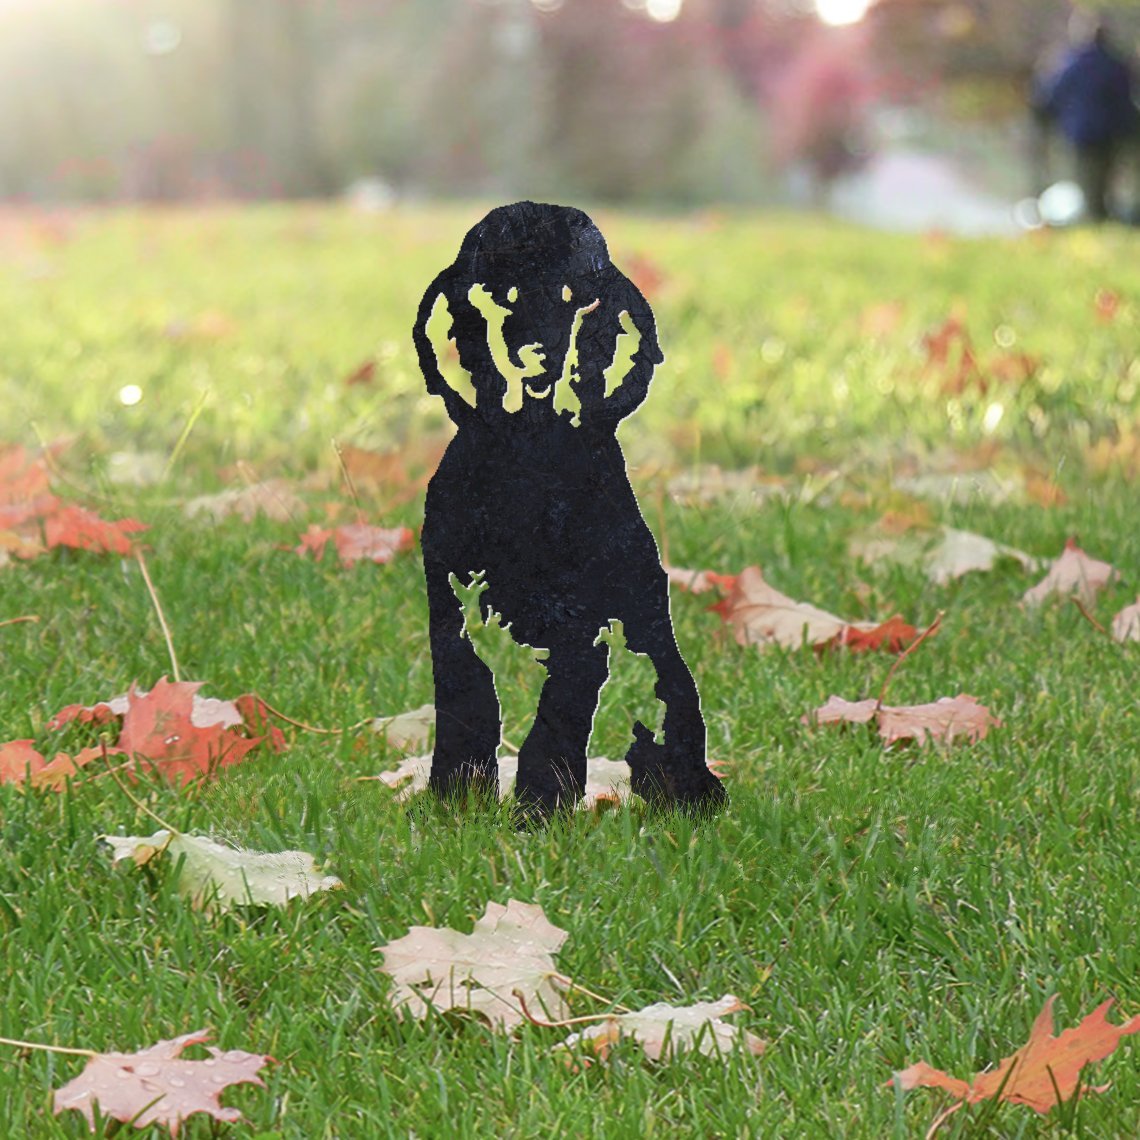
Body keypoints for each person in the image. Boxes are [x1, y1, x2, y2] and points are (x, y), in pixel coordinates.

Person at [1033, 11, 1139, 221]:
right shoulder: (1117, 65)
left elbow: (1051, 96)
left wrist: (1045, 119)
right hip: (1112, 132)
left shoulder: (1070, 64)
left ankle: (1096, 218)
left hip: (1082, 133)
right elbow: (1127, 100)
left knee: (1089, 181)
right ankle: (1105, 217)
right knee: (1107, 178)